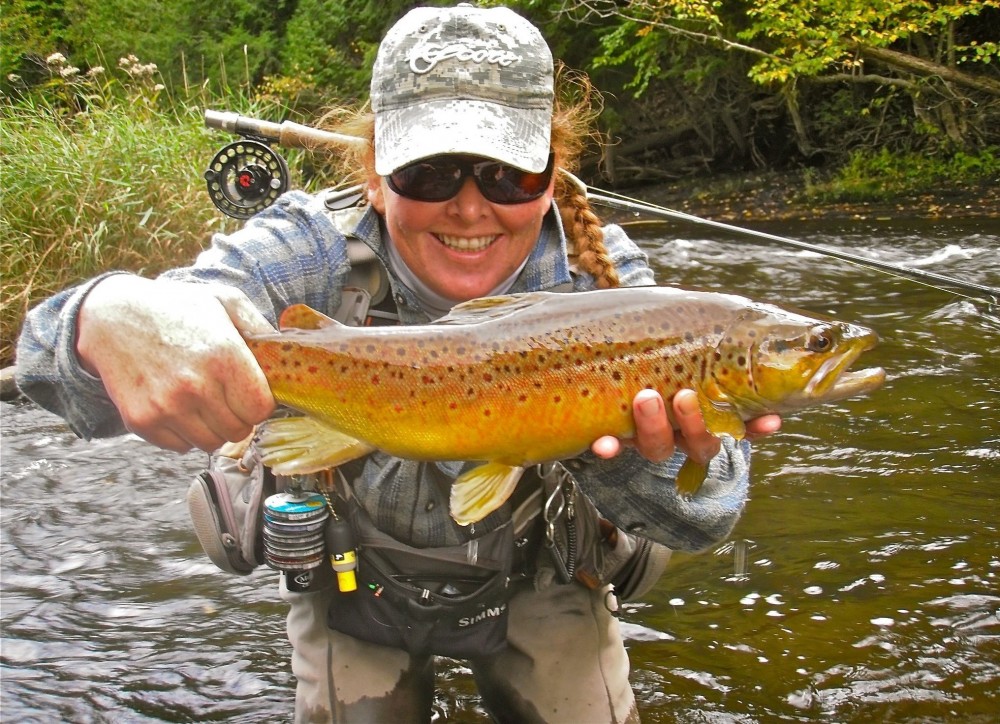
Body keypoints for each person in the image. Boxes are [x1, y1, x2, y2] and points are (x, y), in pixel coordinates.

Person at [16, 4, 780, 722]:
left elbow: (709, 511)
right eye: (432, 172)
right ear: (376, 174)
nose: (471, 207)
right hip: (351, 577)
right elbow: (51, 356)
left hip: (547, 577)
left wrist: (629, 457)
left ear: (554, 170)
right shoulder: (308, 246)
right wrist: (108, 313)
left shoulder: (609, 282)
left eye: (508, 174)